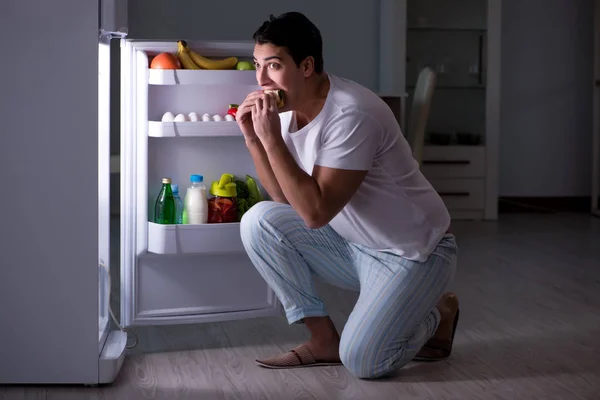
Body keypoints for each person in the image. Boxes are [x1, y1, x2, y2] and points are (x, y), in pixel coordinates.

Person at [236, 11, 459, 379]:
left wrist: (272, 137)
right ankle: (322, 339)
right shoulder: (291, 108)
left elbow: (314, 213)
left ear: (306, 66)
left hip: (412, 254)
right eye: (257, 65)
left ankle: (438, 313)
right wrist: (254, 139)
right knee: (258, 221)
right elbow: (282, 199)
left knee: (363, 362)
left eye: (273, 66)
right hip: (353, 245)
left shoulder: (351, 114)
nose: (261, 80)